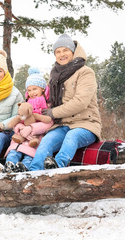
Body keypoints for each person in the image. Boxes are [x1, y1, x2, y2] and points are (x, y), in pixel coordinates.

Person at [29, 33, 102, 171]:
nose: (62, 54)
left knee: (71, 137)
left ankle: (58, 167)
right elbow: (48, 99)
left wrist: (53, 112)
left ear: (73, 52)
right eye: (58, 51)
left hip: (85, 124)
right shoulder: (54, 75)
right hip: (61, 124)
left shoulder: (85, 72)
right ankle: (33, 173)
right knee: (46, 141)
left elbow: (80, 102)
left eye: (65, 50)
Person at [0, 67, 53, 173]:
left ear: (43, 89)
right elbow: (17, 119)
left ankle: (24, 166)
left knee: (30, 155)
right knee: (14, 152)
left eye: (35, 89)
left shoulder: (47, 106)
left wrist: (31, 129)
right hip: (21, 137)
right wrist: (21, 128)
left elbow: (48, 123)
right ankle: (10, 165)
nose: (32, 92)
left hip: (35, 138)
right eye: (29, 90)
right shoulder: (24, 104)